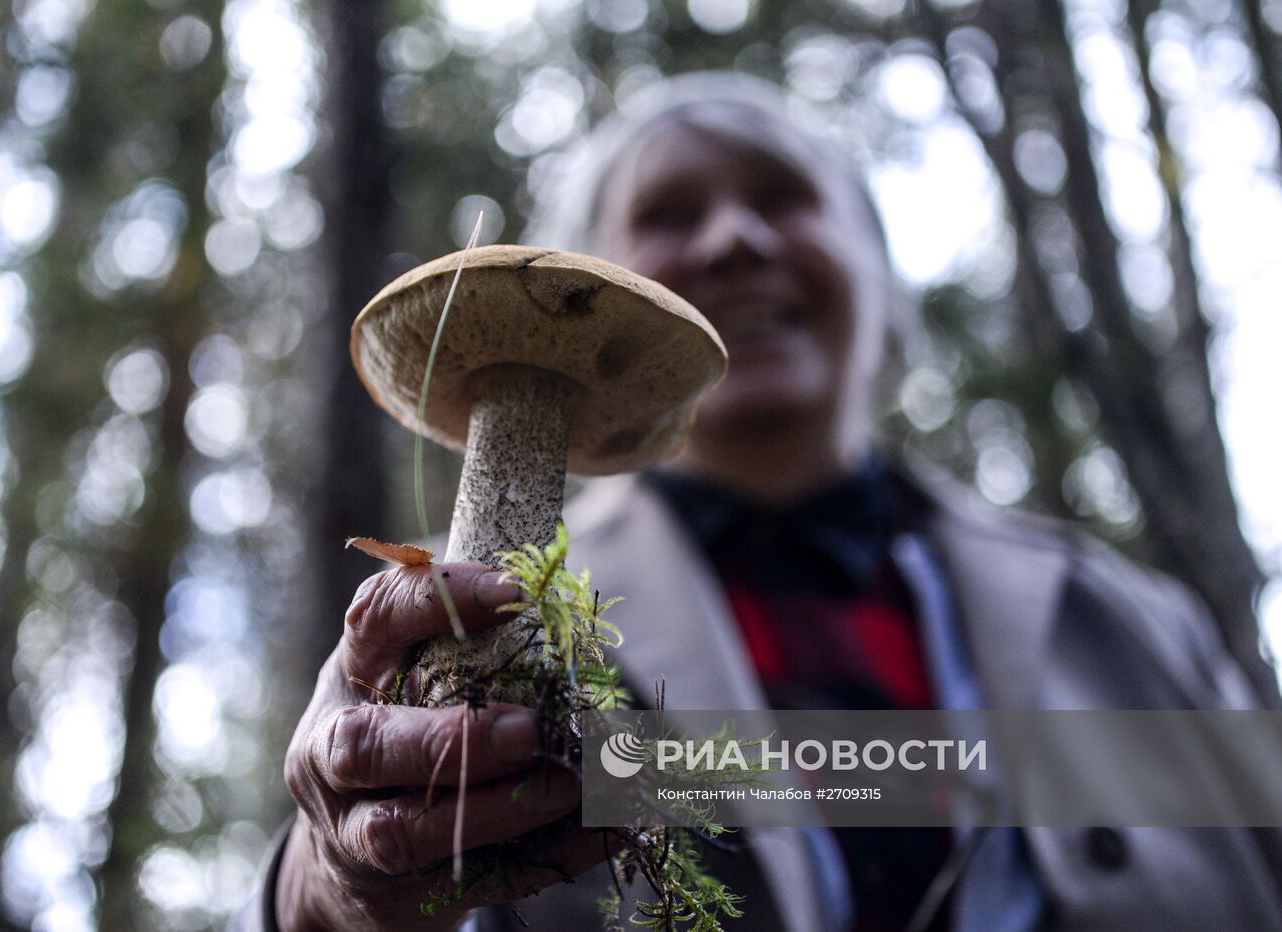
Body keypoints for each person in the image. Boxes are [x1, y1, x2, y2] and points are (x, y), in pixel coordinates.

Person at [238, 73, 1282, 931]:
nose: (732, 238)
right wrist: (326, 890)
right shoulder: (461, 621)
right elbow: (366, 878)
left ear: (879, 281)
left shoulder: (1123, 621)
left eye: (783, 197)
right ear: (575, 273)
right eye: (667, 213)